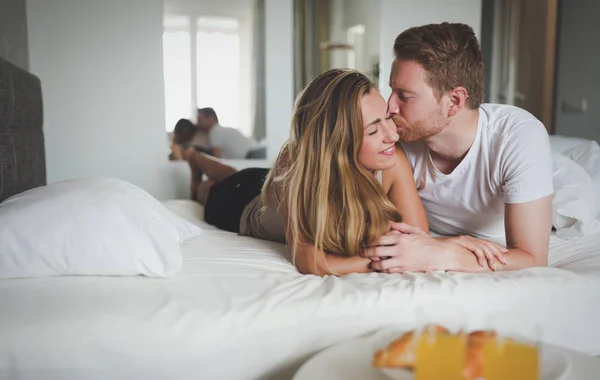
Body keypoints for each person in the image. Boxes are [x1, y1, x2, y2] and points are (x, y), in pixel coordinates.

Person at [184, 69, 506, 276]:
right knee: (212, 188)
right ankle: (194, 160)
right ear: (339, 142)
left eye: (387, 119)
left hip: (265, 181)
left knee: (235, 172)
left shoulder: (391, 162)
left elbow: (417, 238)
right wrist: (377, 262)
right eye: (373, 130)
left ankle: (197, 160)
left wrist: (453, 246)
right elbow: (310, 261)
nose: (393, 136)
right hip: (243, 204)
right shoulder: (299, 170)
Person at [366, 23, 554, 273]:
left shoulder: (517, 137)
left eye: (405, 95)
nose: (390, 106)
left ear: (454, 101)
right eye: (391, 90)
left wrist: (443, 255)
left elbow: (532, 258)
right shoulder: (398, 137)